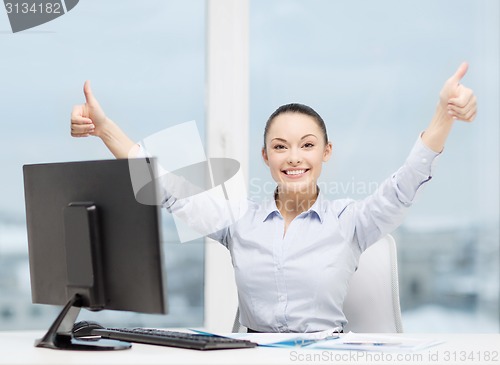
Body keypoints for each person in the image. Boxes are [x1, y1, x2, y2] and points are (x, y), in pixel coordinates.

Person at [70, 63, 477, 333]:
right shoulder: (237, 219)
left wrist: (444, 115)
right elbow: (167, 188)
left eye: (307, 145)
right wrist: (106, 131)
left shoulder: (351, 221)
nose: (294, 157)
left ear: (325, 152)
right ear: (265, 157)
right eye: (280, 147)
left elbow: (403, 187)